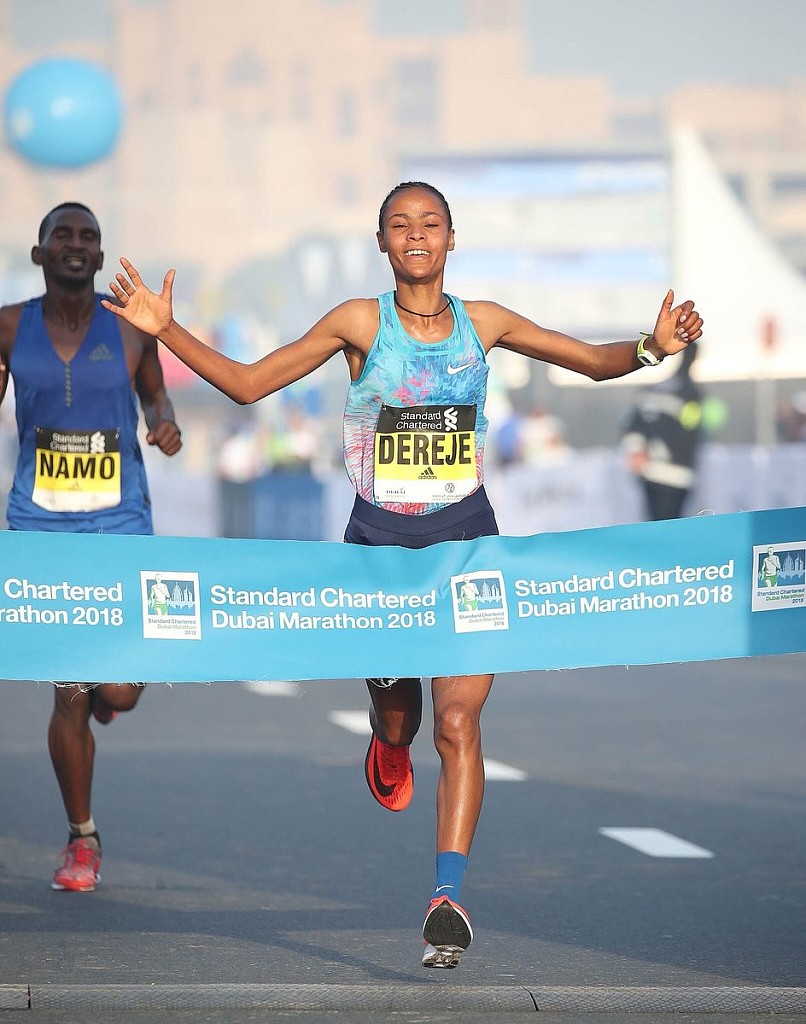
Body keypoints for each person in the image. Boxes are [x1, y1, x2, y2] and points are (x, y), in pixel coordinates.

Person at [100, 181, 703, 968]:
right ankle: (388, 739)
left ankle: (446, 898)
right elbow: (248, 384)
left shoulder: (485, 323)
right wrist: (167, 328)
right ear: (382, 241)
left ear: (452, 238)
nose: (416, 234)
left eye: (430, 223)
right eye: (400, 224)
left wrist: (652, 347)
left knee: (458, 724)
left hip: (466, 546)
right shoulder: (359, 323)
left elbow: (590, 362)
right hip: (379, 552)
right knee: (402, 723)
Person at [0, 202, 182, 893]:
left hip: (120, 523)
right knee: (71, 688)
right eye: (63, 235)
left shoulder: (130, 327)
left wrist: (164, 426)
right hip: (41, 526)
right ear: (39, 253)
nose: (76, 245)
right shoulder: (9, 326)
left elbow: (156, 399)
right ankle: (82, 837)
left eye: (88, 237)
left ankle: (110, 691)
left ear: (100, 258)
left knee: (119, 692)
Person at [621, 343, 703, 521]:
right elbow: (690, 430)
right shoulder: (690, 393)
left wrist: (637, 449)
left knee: (657, 524)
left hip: (658, 471)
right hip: (673, 473)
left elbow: (634, 424)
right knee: (668, 525)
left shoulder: (654, 390)